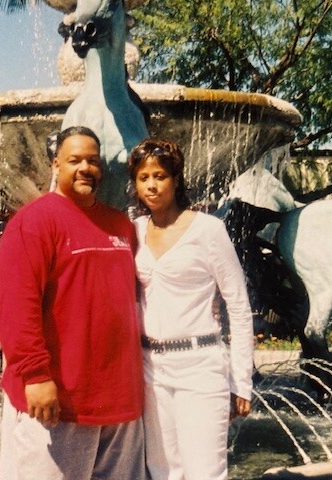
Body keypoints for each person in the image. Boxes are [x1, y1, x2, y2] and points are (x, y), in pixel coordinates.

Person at [0, 126, 146, 480]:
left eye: (93, 161)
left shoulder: (120, 225)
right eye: (75, 160)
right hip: (58, 402)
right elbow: (17, 307)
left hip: (121, 403)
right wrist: (35, 376)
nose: (85, 168)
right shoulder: (33, 222)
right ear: (56, 164)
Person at [128, 138, 254, 480]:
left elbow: (238, 306)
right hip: (151, 369)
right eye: (143, 178)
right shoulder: (134, 231)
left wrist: (241, 380)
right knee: (162, 471)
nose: (151, 185)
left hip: (200, 366)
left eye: (160, 176)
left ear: (176, 180)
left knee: (204, 472)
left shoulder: (207, 229)